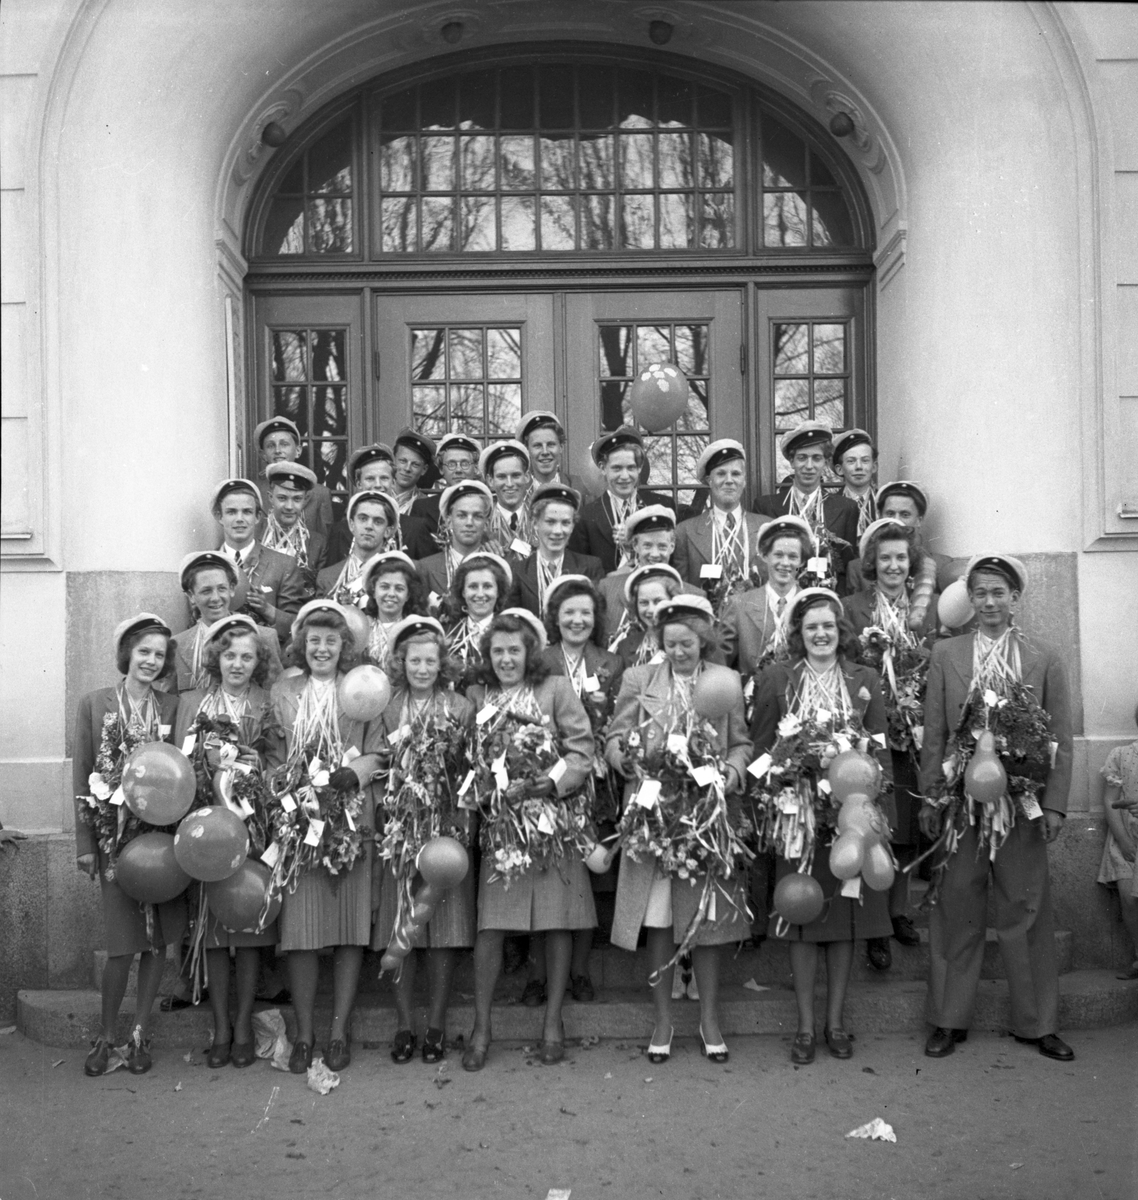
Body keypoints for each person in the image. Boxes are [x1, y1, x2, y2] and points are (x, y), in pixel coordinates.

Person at [919, 554, 1075, 1062]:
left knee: (1025, 908)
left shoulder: (1043, 656)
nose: (989, 602)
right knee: (957, 906)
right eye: (980, 593)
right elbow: (935, 733)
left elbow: (1061, 737)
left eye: (998, 593)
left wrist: (1055, 805)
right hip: (961, 803)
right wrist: (932, 796)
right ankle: (948, 1019)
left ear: (1015, 598)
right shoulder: (946, 653)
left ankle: (1037, 1022)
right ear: (970, 598)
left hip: (1021, 803)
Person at [606, 595, 753, 1064]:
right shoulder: (639, 679)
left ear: (702, 641)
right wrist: (626, 758)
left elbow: (741, 744)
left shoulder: (724, 681)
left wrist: (730, 772)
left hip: (705, 817)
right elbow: (615, 736)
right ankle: (663, 1020)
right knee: (659, 920)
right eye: (670, 644)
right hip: (653, 815)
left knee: (705, 921)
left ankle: (709, 1020)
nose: (678, 652)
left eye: (687, 643)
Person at [750, 588, 893, 1064]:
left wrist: (878, 811)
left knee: (845, 917)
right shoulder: (777, 677)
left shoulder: (864, 678)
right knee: (801, 915)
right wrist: (770, 795)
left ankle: (835, 1023)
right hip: (797, 815)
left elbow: (879, 747)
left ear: (840, 630)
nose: (820, 634)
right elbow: (762, 746)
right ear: (798, 633)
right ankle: (806, 1026)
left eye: (828, 625)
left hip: (850, 815)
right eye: (811, 626)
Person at [461, 609, 596, 1071]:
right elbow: (466, 755)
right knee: (491, 925)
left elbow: (581, 749)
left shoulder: (555, 688)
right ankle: (482, 1028)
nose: (505, 659)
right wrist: (484, 784)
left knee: (557, 922)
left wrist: (552, 781)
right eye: (497, 651)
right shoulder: (477, 694)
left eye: (514, 650)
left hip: (551, 823)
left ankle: (553, 1023)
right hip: (501, 825)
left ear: (529, 653)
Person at [264, 600, 383, 1073]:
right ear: (301, 644)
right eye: (314, 640)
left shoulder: (362, 686)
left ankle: (338, 1032)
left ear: (344, 646)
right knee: (300, 931)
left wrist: (355, 774)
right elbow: (272, 755)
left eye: (331, 641)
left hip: (350, 818)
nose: (322, 648)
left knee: (350, 927)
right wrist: (287, 785)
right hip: (300, 822)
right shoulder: (283, 691)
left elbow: (380, 750)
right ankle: (304, 1034)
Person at [74, 614, 185, 1076]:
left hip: (160, 840)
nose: (151, 661)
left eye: (159, 654)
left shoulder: (172, 706)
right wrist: (85, 843)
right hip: (113, 838)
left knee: (156, 942)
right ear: (127, 654)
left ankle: (139, 1033)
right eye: (144, 652)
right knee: (121, 944)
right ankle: (106, 1036)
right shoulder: (95, 703)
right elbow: (82, 772)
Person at [173, 614, 276, 1068]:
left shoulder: (266, 703)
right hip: (208, 825)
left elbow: (280, 760)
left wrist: (257, 766)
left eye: (247, 657)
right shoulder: (192, 702)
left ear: (258, 662)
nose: (237, 664)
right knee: (213, 927)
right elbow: (178, 763)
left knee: (249, 923)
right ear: (216, 658)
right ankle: (220, 1026)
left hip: (253, 825)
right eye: (230, 655)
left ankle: (243, 1026)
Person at [372, 617, 477, 1063]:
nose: (422, 668)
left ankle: (435, 1025)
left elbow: (472, 769)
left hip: (446, 827)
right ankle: (403, 1025)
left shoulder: (460, 707)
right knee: (402, 921)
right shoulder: (387, 707)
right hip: (399, 829)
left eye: (430, 661)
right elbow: (376, 762)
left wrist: (461, 823)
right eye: (414, 660)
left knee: (443, 930)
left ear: (442, 664)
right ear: (401, 663)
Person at [521, 576, 625, 1006]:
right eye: (569, 613)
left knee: (586, 873)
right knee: (544, 871)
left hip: (597, 780)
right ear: (555, 618)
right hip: (547, 779)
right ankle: (537, 974)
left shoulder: (611, 662)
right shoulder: (540, 660)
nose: (577, 620)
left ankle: (579, 969)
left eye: (585, 612)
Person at [844, 519, 938, 969]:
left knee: (905, 829)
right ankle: (874, 924)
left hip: (914, 732)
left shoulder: (928, 610)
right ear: (872, 563)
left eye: (901, 557)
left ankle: (898, 911)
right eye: (885, 558)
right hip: (870, 732)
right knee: (872, 824)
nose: (894, 565)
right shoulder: (852, 608)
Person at [752, 423, 859, 595]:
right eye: (802, 458)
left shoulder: (846, 508)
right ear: (791, 461)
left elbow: (847, 568)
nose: (809, 466)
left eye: (816, 458)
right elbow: (761, 564)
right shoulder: (766, 506)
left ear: (825, 462)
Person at [172, 552, 283, 693]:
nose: (215, 598)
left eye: (221, 589)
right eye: (206, 591)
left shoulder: (264, 637)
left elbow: (274, 696)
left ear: (231, 589)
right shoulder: (178, 646)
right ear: (191, 596)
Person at [673, 439, 765, 609]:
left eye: (736, 474)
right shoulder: (685, 532)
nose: (729, 480)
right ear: (709, 480)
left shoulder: (766, 528)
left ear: (744, 480)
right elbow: (682, 593)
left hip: (755, 621)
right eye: (721, 474)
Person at [212, 478, 307, 641]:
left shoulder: (284, 564)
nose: (239, 519)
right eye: (231, 512)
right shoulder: (209, 565)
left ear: (257, 517)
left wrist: (268, 609)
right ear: (219, 517)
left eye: (247, 512)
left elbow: (298, 626)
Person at [569, 427, 673, 574]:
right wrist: (612, 578)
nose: (624, 476)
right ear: (603, 468)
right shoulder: (586, 517)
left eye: (631, 468)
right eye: (617, 468)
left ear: (640, 468)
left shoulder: (664, 506)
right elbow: (582, 576)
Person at [719, 515, 812, 679]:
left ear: (802, 562)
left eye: (793, 557)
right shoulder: (739, 605)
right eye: (778, 555)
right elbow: (720, 665)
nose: (785, 563)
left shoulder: (812, 605)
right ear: (764, 556)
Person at [324, 444, 438, 562]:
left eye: (384, 478)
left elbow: (427, 569)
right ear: (359, 483)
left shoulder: (415, 529)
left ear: (393, 482)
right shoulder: (340, 531)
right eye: (370, 479)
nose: (378, 485)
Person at [847, 481, 958, 594]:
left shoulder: (941, 565)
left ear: (919, 520)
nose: (896, 520)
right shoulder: (857, 568)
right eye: (890, 513)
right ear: (879, 517)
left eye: (905, 515)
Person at [515, 483, 604, 617]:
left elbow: (596, 617)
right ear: (535, 523)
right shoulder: (518, 571)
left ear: (573, 525)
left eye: (565, 523)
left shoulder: (590, 567)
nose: (558, 531)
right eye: (550, 522)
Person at [1098, 705, 1138, 980]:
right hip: (1126, 837)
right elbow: (1110, 801)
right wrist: (1123, 840)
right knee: (1128, 898)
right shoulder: (1121, 755)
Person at [442, 552, 514, 690]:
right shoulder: (446, 634)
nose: (480, 594)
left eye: (487, 586)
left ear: (498, 591)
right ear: (463, 592)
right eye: (473, 586)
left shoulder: (511, 634)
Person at [253, 415, 334, 539]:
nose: (278, 450)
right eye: (270, 445)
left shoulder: (320, 494)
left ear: (298, 451)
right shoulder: (253, 491)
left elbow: (325, 541)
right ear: (263, 454)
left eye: (284, 444)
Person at [317, 490, 400, 605]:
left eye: (378, 521)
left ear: (388, 531)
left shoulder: (399, 575)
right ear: (351, 525)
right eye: (363, 519)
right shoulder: (326, 576)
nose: (369, 526)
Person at [417, 479, 494, 601]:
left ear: (486, 523)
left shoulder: (497, 566)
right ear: (448, 521)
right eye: (462, 515)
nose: (469, 523)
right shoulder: (426, 568)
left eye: (477, 516)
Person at [261, 460, 327, 585]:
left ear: (305, 500)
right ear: (270, 498)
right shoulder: (256, 536)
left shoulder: (317, 544)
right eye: (282, 498)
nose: (289, 506)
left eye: (297, 499)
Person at [361, 550, 429, 667]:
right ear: (373, 590)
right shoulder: (362, 627)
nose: (391, 594)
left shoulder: (416, 631)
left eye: (399, 588)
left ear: (408, 595)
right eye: (384, 587)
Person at [610, 563, 683, 668]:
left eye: (658, 601)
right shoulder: (625, 646)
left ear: (674, 601)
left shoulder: (689, 643)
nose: (651, 610)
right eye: (644, 603)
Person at [411, 432, 481, 527]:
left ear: (475, 467)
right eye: (451, 464)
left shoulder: (487, 505)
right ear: (441, 469)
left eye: (465, 463)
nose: (458, 470)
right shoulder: (422, 508)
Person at [480, 440, 534, 558]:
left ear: (526, 477)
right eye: (501, 477)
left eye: (515, 475)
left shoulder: (539, 516)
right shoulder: (481, 522)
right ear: (490, 481)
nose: (509, 484)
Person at [831, 429, 877, 538]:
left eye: (865, 460)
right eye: (851, 461)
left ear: (874, 467)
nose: (859, 467)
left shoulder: (883, 502)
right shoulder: (829, 506)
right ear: (839, 469)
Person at [391, 428, 437, 521]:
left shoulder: (428, 507)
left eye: (415, 464)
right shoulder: (377, 496)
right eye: (403, 461)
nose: (407, 468)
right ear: (393, 461)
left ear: (424, 469)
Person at [518, 410, 567, 489]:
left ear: (561, 447)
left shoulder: (579, 487)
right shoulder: (519, 490)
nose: (545, 452)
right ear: (527, 450)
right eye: (537, 445)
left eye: (551, 444)